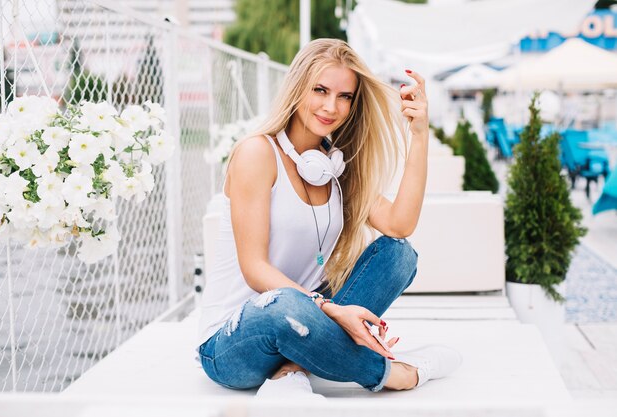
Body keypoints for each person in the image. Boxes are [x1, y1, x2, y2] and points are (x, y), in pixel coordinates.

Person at [196, 38, 461, 396]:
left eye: (345, 96)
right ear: (297, 88)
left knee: (399, 254)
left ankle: (294, 365)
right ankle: (399, 373)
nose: (331, 107)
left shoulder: (332, 166)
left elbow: (400, 223)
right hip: (235, 340)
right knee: (285, 304)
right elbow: (255, 269)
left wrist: (419, 134)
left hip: (307, 315)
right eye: (319, 90)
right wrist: (331, 311)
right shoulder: (257, 153)